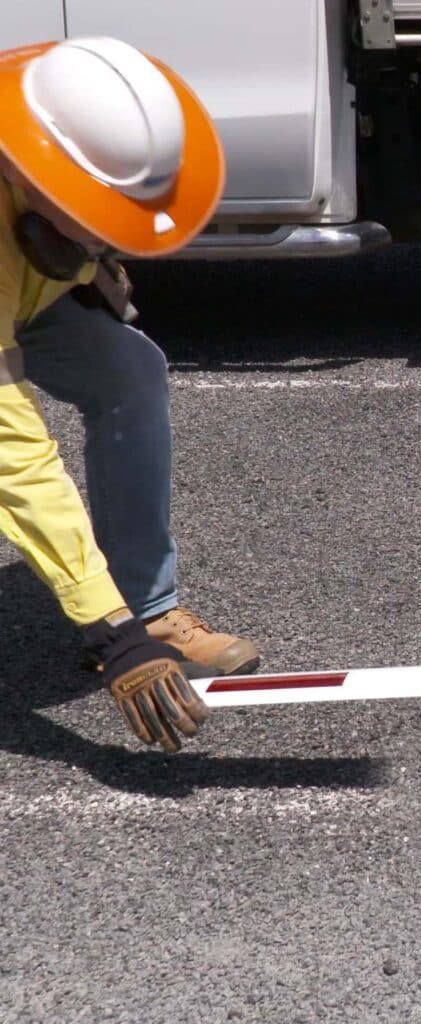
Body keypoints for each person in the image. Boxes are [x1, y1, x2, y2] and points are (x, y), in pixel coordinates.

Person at [0, 37, 259, 753]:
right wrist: (109, 633)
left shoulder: (40, 105)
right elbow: (15, 457)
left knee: (128, 370)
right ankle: (126, 618)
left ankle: (150, 606)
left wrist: (84, 272)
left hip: (19, 294)